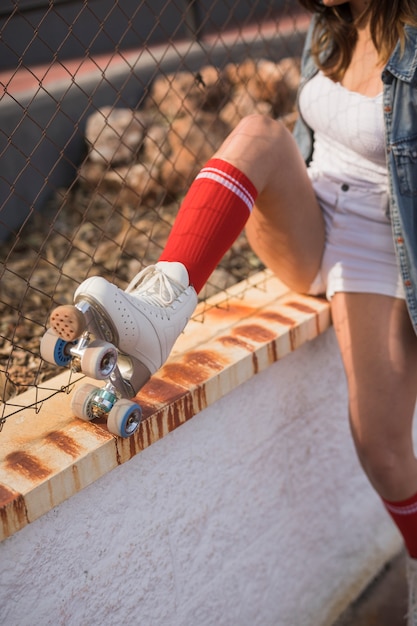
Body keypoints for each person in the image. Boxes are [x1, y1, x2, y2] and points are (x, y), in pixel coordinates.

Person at [49, 0, 417, 621]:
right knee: (258, 133)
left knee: (380, 449)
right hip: (309, 216)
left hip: (382, 244)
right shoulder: (331, 26)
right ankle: (160, 310)